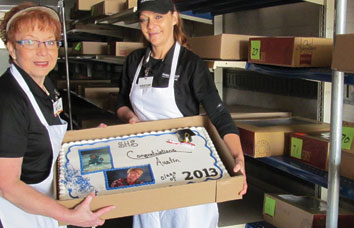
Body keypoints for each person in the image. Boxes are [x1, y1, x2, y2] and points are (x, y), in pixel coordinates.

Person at [115, 0, 248, 227]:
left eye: (158, 17)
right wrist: (129, 117)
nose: (151, 26)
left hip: (186, 159)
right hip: (145, 159)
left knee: (186, 219)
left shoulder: (191, 65)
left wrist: (238, 157)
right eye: (144, 20)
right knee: (150, 219)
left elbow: (219, 115)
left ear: (174, 18)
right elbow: (120, 103)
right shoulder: (135, 62)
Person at [0, 3, 114, 227]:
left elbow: (42, 139)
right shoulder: (9, 101)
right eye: (30, 42)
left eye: (50, 41)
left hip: (42, 207)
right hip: (15, 215)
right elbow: (6, 184)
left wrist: (85, 140)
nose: (43, 51)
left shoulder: (44, 86)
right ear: (12, 49)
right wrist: (69, 216)